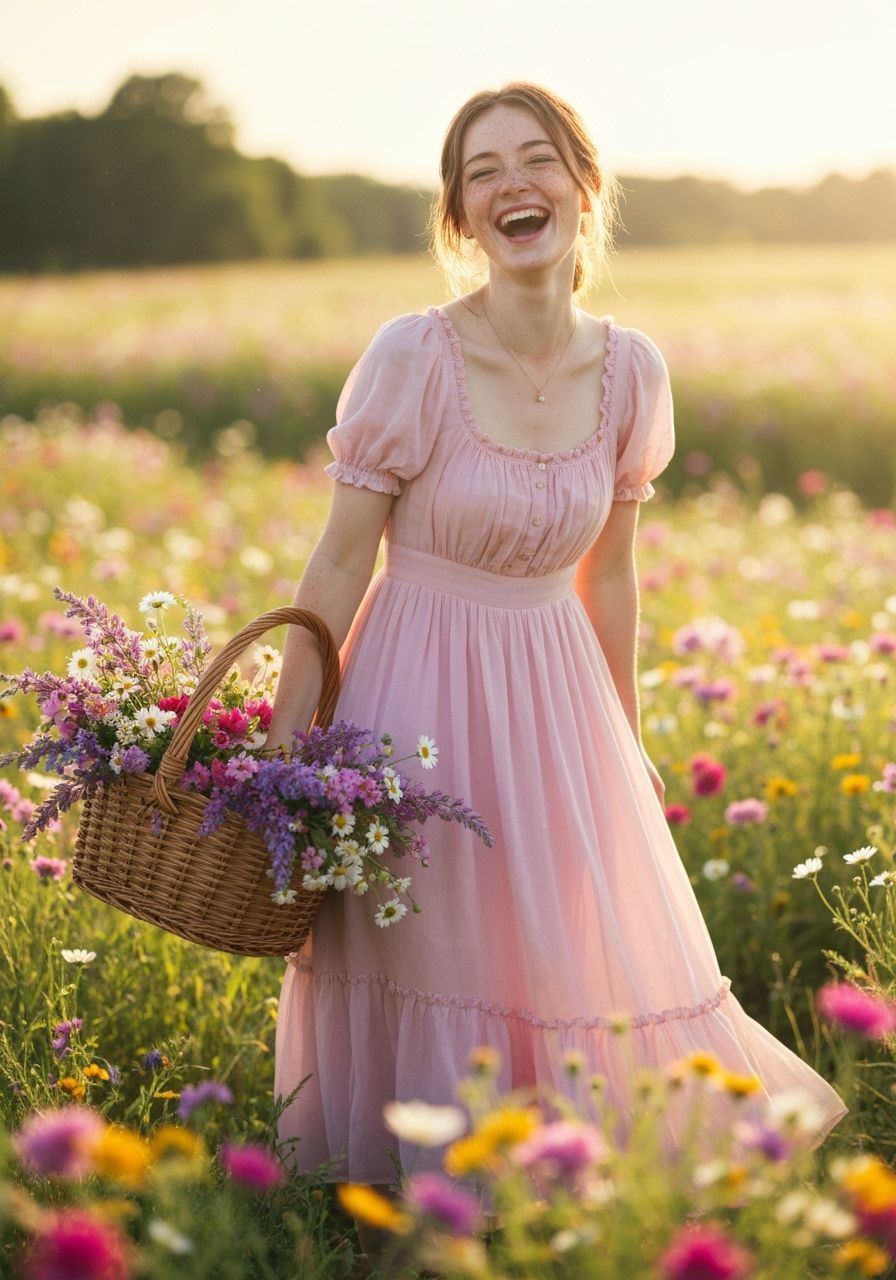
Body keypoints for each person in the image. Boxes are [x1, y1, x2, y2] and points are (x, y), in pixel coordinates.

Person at [266, 81, 848, 1247]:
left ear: (584, 189)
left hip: (557, 688)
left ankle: (552, 1190)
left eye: (535, 161)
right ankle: (418, 1213)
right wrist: (285, 744)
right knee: (430, 936)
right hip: (412, 690)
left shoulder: (630, 371)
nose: (511, 186)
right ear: (459, 216)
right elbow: (337, 560)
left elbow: (611, 575)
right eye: (482, 172)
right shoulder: (411, 355)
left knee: (566, 944)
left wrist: (620, 741)